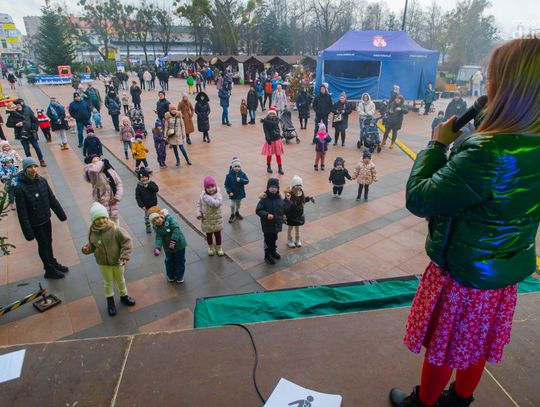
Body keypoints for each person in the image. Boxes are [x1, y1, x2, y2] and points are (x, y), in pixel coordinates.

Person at [390, 38, 540, 407]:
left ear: (507, 88)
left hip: (464, 274)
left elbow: (420, 198)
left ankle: (423, 403)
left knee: (444, 347)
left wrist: (438, 145)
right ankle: (460, 399)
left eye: (493, 79)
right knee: (478, 342)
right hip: (503, 272)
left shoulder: (488, 152)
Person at [14, 157, 68, 279]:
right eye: (30, 167)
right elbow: (22, 212)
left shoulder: (42, 180)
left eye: (35, 166)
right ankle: (49, 269)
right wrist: (28, 232)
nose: (33, 169)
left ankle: (52, 262)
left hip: (46, 218)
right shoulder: (20, 188)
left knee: (49, 241)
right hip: (35, 223)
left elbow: (51, 198)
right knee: (43, 244)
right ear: (25, 169)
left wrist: (61, 214)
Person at [82, 202, 135, 316]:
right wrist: (86, 249)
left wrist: (124, 256)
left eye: (103, 217)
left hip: (117, 262)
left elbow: (127, 242)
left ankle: (124, 296)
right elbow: (92, 246)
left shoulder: (115, 229)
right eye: (97, 219)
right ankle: (110, 302)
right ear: (93, 220)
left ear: (106, 217)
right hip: (103, 263)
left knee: (120, 279)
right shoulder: (92, 232)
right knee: (108, 282)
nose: (101, 221)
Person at [149, 206, 188, 283]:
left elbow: (176, 229)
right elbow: (159, 237)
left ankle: (179, 276)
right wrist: (158, 247)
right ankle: (171, 275)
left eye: (157, 218)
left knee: (179, 260)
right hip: (168, 247)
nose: (157, 221)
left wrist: (173, 241)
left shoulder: (169, 219)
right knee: (169, 261)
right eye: (154, 221)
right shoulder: (156, 227)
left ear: (161, 215)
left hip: (178, 245)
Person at [84, 156, 123, 224]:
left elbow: (119, 183)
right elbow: (95, 169)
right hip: (101, 201)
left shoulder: (110, 170)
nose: (98, 159)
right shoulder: (92, 172)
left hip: (113, 202)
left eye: (98, 158)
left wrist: (117, 197)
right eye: (95, 158)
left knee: (115, 223)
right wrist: (102, 162)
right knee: (105, 223)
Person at [256, 178, 286, 265]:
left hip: (276, 224)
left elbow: (284, 208)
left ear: (278, 188)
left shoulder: (279, 199)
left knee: (274, 238)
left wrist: (287, 201)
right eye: (271, 187)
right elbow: (258, 210)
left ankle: (273, 251)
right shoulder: (264, 199)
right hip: (267, 225)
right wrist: (266, 215)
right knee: (267, 240)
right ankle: (267, 255)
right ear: (268, 188)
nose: (273, 189)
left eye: (275, 187)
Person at [5, 101, 46, 166]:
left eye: (19, 105)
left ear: (21, 105)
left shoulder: (27, 111)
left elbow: (35, 120)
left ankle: (41, 160)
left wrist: (35, 128)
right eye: (16, 105)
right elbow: (8, 124)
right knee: (26, 149)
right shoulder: (13, 114)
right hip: (21, 134)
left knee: (37, 147)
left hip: (31, 132)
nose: (18, 106)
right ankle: (30, 163)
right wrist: (15, 125)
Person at [196, 176, 224, 256]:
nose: (211, 189)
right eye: (208, 187)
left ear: (215, 186)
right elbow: (199, 204)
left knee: (218, 235)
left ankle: (219, 247)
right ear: (205, 188)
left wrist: (208, 198)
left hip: (216, 220)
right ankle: (210, 247)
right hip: (207, 220)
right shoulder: (202, 196)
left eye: (212, 186)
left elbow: (217, 204)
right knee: (209, 235)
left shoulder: (218, 195)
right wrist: (198, 213)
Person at [284, 175, 314, 248]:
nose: (298, 187)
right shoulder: (289, 194)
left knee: (297, 228)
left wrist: (308, 198)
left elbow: (302, 201)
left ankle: (297, 240)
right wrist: (288, 200)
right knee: (290, 228)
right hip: (291, 215)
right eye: (297, 185)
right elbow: (286, 204)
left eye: (300, 185)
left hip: (299, 214)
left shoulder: (301, 192)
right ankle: (289, 240)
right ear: (293, 185)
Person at [224, 157, 249, 223]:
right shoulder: (229, 175)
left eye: (238, 166)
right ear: (232, 167)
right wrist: (229, 192)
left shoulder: (242, 174)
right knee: (232, 205)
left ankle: (237, 212)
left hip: (240, 193)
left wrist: (241, 180)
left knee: (238, 204)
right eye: (235, 166)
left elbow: (247, 181)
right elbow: (226, 185)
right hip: (233, 193)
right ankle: (232, 214)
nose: (237, 168)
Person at [135, 168, 159, 234]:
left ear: (148, 177)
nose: (144, 179)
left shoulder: (151, 183)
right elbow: (138, 197)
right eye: (142, 177)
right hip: (146, 206)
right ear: (139, 178)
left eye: (145, 177)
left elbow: (156, 189)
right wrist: (141, 205)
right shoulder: (138, 187)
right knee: (147, 217)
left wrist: (148, 186)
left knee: (155, 215)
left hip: (153, 204)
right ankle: (148, 226)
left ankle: (155, 225)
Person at [261, 108, 284, 175]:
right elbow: (266, 131)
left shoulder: (276, 120)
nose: (272, 115)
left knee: (278, 155)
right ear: (268, 114)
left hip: (276, 139)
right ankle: (268, 166)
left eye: (273, 114)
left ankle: (280, 167)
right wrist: (268, 138)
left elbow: (276, 126)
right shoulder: (265, 122)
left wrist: (279, 135)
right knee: (269, 155)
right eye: (271, 114)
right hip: (270, 140)